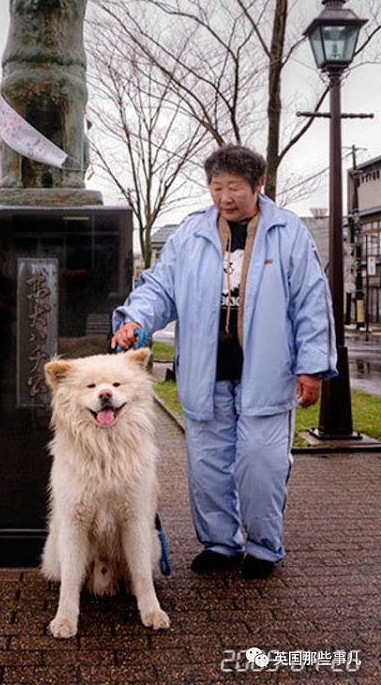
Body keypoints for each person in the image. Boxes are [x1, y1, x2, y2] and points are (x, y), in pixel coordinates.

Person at [111, 145, 337, 579]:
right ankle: (219, 542)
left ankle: (264, 547)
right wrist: (135, 319)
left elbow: (311, 301)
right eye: (217, 188)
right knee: (208, 464)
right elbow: (160, 287)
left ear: (258, 186)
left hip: (268, 370)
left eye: (235, 188)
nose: (225, 198)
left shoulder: (287, 231)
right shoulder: (191, 233)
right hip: (205, 369)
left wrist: (312, 366)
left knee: (260, 462)